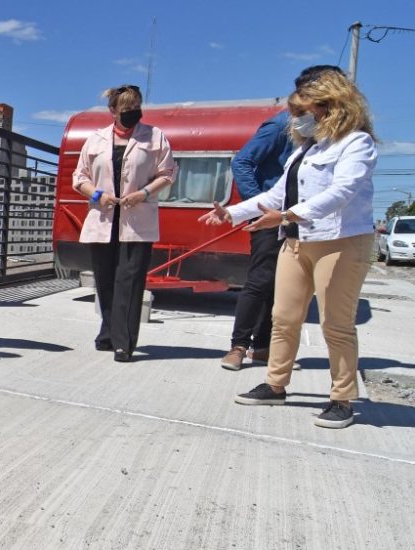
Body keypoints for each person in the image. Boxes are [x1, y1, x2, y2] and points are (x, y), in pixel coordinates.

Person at [200, 71, 376, 429]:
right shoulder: (306, 151)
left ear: (331, 107)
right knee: (284, 317)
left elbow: (342, 192)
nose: (298, 119)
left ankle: (341, 398)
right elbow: (275, 194)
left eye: (304, 111)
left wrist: (288, 215)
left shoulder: (357, 143)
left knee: (336, 324)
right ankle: (275, 384)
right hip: (296, 241)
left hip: (340, 242)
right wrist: (231, 212)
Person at [221, 65, 346, 371]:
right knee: (259, 282)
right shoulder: (281, 125)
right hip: (271, 215)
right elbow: (243, 161)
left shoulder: (331, 134)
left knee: (285, 288)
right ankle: (238, 346)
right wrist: (255, 205)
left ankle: (264, 349)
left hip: (299, 219)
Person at [71, 85, 176, 362]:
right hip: (103, 219)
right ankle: (107, 332)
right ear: (113, 112)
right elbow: (79, 178)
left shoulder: (155, 137)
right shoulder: (95, 140)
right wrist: (97, 195)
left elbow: (168, 174)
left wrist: (143, 193)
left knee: (129, 282)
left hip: (137, 221)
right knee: (104, 281)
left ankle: (124, 342)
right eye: (127, 110)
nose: (133, 114)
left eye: (137, 108)